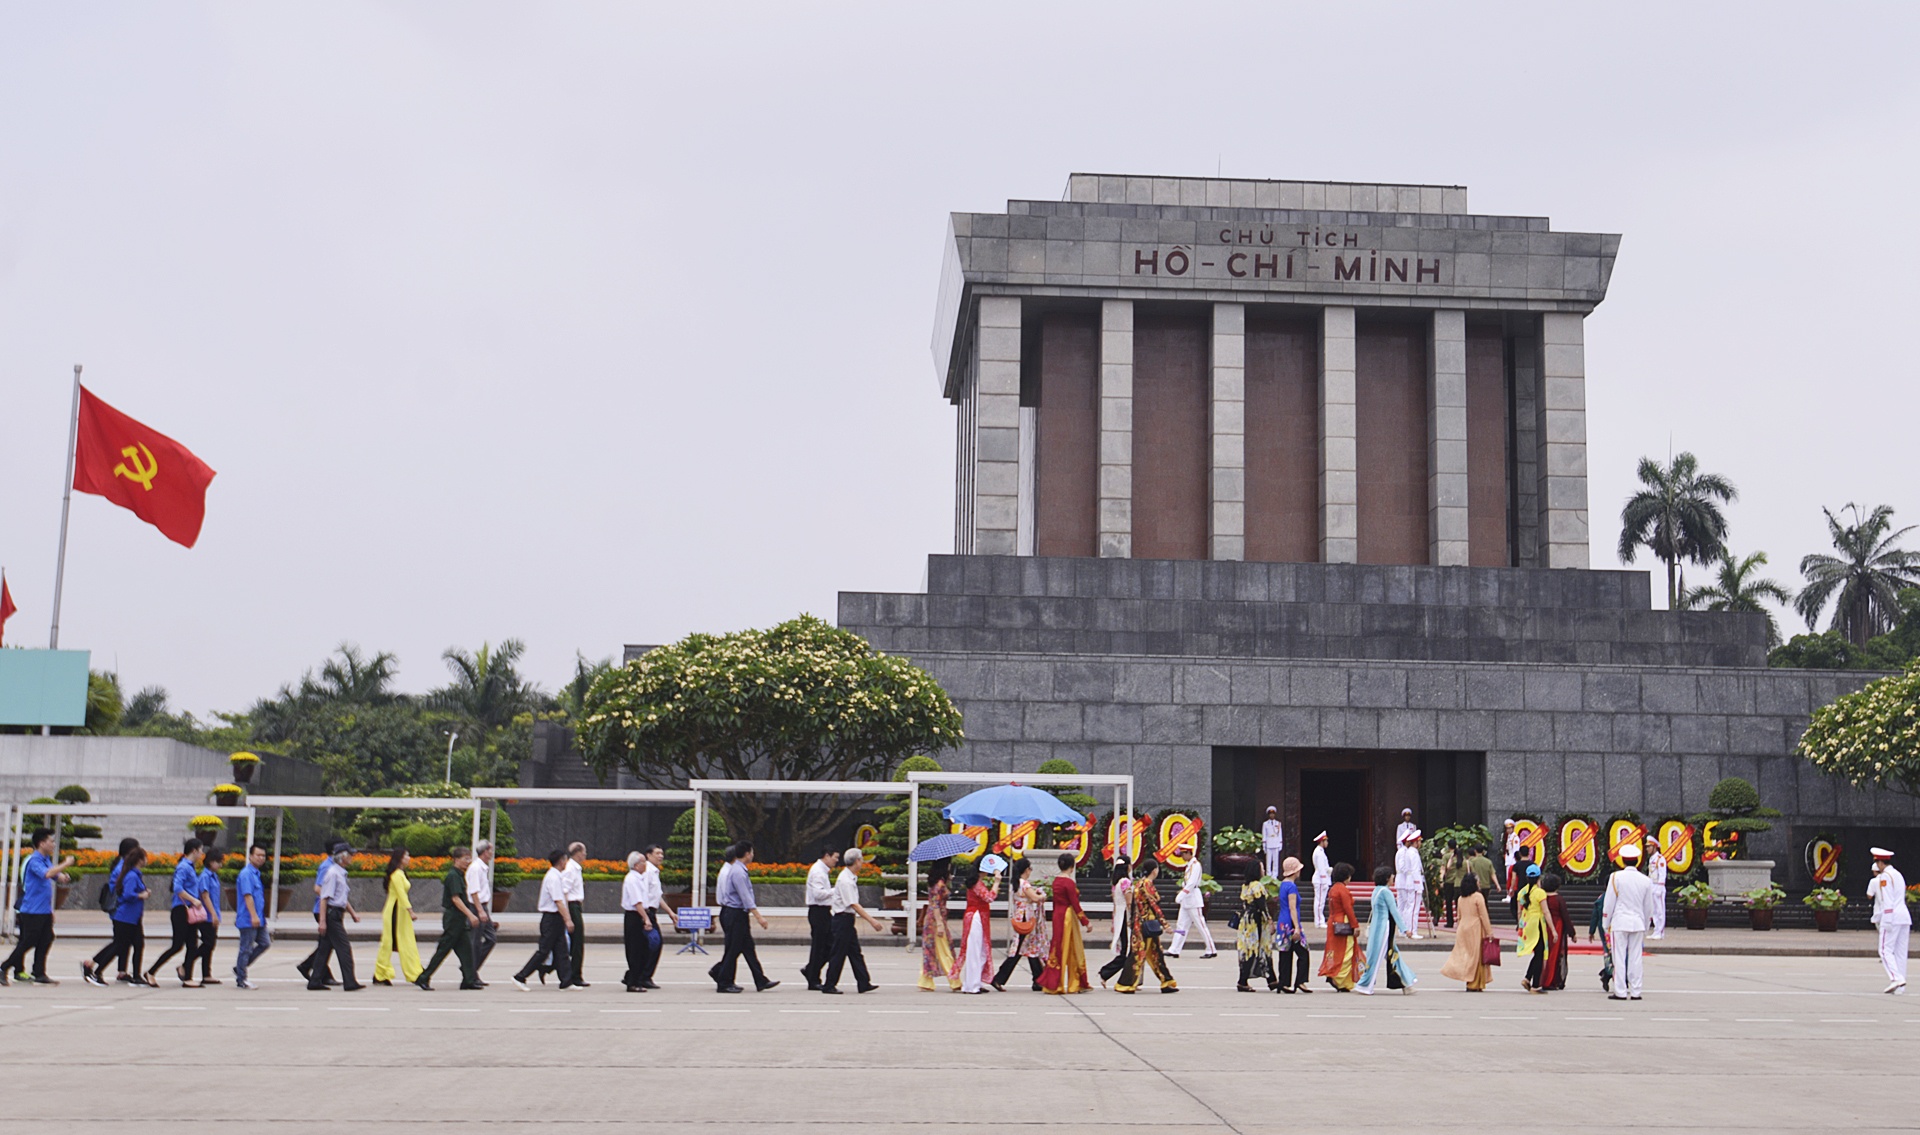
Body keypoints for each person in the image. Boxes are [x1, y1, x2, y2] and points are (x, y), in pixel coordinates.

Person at [0, 828, 74, 985]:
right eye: (51, 841)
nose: (54, 844)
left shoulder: (45, 859)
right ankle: (3, 968)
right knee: (29, 941)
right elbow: (46, 874)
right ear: (42, 843)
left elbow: (54, 874)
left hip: (44, 910)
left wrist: (63, 876)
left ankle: (39, 972)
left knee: (47, 938)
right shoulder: (34, 860)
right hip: (32, 910)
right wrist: (65, 863)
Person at [709, 841, 776, 993]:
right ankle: (724, 982)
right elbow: (745, 897)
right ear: (747, 854)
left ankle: (760, 980)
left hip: (737, 914)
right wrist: (759, 917)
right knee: (733, 949)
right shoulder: (738, 872)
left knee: (748, 948)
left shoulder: (738, 869)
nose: (753, 855)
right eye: (751, 852)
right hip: (735, 914)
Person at [84, 847, 150, 986]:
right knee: (118, 946)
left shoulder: (134, 874)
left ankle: (137, 975)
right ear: (139, 860)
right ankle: (97, 970)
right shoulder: (132, 875)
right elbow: (127, 894)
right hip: (126, 917)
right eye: (145, 857)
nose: (146, 860)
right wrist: (141, 895)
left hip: (133, 917)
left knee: (137, 944)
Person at [419, 847, 482, 991]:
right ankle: (423, 977)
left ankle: (469, 980)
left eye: (469, 858)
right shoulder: (453, 876)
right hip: (454, 918)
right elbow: (456, 899)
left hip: (459, 919)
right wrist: (470, 915)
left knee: (466, 950)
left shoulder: (460, 875)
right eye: (465, 858)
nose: (468, 861)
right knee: (443, 950)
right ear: (456, 859)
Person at [147, 838, 208, 987]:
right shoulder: (184, 867)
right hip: (182, 910)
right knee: (177, 945)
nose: (202, 853)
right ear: (194, 851)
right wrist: (194, 900)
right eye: (200, 850)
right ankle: (151, 972)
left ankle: (187, 977)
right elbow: (177, 888)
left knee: (192, 945)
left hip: (189, 910)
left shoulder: (190, 867)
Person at [1602, 843, 1659, 1000]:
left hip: (1620, 921)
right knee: (1636, 957)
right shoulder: (1646, 880)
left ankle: (1620, 991)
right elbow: (1649, 907)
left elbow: (1609, 902)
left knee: (1619, 957)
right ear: (1637, 860)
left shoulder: (1616, 877)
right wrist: (1646, 925)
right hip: (1638, 922)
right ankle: (1636, 991)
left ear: (1623, 860)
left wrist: (1605, 923)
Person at [821, 847, 882, 994]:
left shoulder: (850, 877)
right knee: (838, 953)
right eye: (861, 859)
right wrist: (872, 921)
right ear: (856, 861)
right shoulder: (846, 880)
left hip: (846, 921)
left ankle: (863, 982)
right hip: (842, 920)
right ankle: (829, 984)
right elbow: (853, 904)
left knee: (855, 952)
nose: (862, 862)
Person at [514, 850, 577, 991]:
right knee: (543, 951)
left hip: (556, 919)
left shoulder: (556, 876)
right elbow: (558, 901)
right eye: (565, 860)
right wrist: (568, 920)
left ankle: (566, 981)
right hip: (551, 918)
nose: (566, 863)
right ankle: (520, 976)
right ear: (561, 861)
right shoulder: (553, 878)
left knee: (562, 951)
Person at [1113, 861, 1176, 994]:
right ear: (1155, 871)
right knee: (1139, 954)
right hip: (1147, 924)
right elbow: (1154, 905)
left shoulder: (1139, 883)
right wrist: (1165, 924)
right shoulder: (1147, 884)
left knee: (1156, 953)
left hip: (1140, 923)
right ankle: (1125, 984)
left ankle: (1167, 981)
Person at [309, 844, 363, 991]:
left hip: (337, 913)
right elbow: (324, 898)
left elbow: (342, 899)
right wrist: (322, 921)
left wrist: (352, 914)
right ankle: (350, 982)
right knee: (344, 948)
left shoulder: (340, 873)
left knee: (324, 949)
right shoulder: (333, 873)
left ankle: (315, 980)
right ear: (342, 857)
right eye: (350, 855)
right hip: (332, 914)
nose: (352, 858)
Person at [1355, 864, 1415, 995]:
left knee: (1390, 955)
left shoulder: (1376, 890)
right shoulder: (1386, 892)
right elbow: (1395, 912)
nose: (1393, 878)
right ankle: (1365, 985)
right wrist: (1405, 929)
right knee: (1378, 957)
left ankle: (1407, 982)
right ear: (1387, 878)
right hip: (1384, 929)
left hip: (1376, 927)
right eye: (1392, 876)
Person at [993, 857, 1050, 991]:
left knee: (1030, 948)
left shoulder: (1016, 883)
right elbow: (1035, 898)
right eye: (1030, 869)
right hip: (1026, 918)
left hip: (1020, 916)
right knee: (1020, 949)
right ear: (1026, 870)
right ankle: (999, 978)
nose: (1030, 871)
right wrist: (1043, 896)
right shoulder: (1025, 884)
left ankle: (1038, 979)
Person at [1039, 853, 1091, 994]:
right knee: (1069, 947)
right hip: (1067, 917)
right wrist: (1085, 922)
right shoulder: (1069, 883)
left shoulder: (1056, 880)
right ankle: (1064, 983)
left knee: (1058, 946)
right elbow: (1075, 903)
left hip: (1057, 915)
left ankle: (1057, 982)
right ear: (1072, 866)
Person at [297, 841, 347, 988]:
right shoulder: (327, 867)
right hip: (323, 910)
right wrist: (331, 898)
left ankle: (313, 970)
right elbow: (318, 888)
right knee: (328, 943)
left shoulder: (335, 866)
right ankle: (313, 970)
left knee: (326, 944)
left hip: (329, 909)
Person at [372, 847, 424, 986]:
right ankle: (382, 973)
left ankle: (414, 972)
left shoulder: (401, 873)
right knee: (388, 943)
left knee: (404, 941)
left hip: (400, 912)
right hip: (395, 912)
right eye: (407, 856)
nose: (409, 858)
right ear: (400, 858)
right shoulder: (396, 874)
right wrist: (410, 911)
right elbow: (401, 894)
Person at [1439, 872, 1494, 991]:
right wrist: (1489, 932)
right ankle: (1474, 983)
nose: (1479, 883)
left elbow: (1458, 916)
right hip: (1475, 928)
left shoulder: (1460, 898)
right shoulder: (1478, 897)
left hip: (1463, 928)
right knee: (1476, 956)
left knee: (1468, 956)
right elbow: (1484, 915)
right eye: (1477, 881)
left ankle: (1470, 981)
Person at [952, 861, 999, 993]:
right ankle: (971, 985)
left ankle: (975, 982)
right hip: (976, 918)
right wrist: (996, 883)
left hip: (978, 917)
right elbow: (989, 898)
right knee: (975, 951)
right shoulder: (977, 884)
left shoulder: (976, 883)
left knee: (981, 950)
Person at [1867, 848, 1910, 994]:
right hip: (1904, 916)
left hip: (1892, 916)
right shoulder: (1898, 874)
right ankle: (1900, 986)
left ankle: (1895, 978)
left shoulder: (1885, 877)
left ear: (1880, 862)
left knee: (1885, 950)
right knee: (1900, 952)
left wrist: (1887, 919)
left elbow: (1888, 899)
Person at [1317, 863, 1364, 991]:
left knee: (1336, 950)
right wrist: (1355, 925)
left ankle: (1336, 976)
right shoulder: (1343, 890)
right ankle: (1339, 978)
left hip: (1333, 921)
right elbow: (1348, 909)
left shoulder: (1333, 889)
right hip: (1343, 921)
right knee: (1346, 951)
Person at [800, 845, 840, 990]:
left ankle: (811, 970)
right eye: (835, 857)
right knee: (819, 946)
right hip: (818, 911)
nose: (836, 861)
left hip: (824, 911)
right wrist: (836, 890)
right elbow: (818, 894)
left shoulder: (822, 871)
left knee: (829, 945)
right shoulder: (818, 872)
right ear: (827, 856)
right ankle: (813, 978)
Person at [232, 844, 272, 990]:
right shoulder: (246, 874)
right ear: (250, 856)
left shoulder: (256, 873)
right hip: (249, 918)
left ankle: (240, 967)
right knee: (246, 948)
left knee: (265, 943)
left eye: (263, 855)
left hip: (259, 918)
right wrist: (254, 916)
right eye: (258, 855)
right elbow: (247, 896)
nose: (261, 858)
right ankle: (242, 979)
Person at [1166, 853, 1216, 958]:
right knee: (1181, 925)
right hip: (1186, 900)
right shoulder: (1189, 865)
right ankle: (1174, 949)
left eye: (1183, 854)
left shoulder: (1195, 865)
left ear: (1189, 853)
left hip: (1193, 898)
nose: (1182, 856)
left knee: (1200, 925)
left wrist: (1181, 894)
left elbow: (1192, 883)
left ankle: (1211, 949)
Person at [1273, 856, 1311, 994]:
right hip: (1290, 923)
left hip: (1282, 923)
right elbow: (1292, 907)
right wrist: (1297, 927)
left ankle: (1284, 982)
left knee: (1285, 953)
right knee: (1303, 952)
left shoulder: (1283, 884)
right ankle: (1300, 981)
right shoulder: (1292, 886)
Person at [919, 859, 957, 991]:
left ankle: (925, 981)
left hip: (935, 919)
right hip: (936, 920)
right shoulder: (939, 884)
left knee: (931, 949)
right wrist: (939, 924)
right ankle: (954, 980)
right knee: (944, 950)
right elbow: (935, 905)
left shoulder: (937, 882)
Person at [1235, 873, 1276, 992]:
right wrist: (1269, 920)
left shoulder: (1245, 886)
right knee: (1259, 950)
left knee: (1248, 951)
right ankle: (1243, 981)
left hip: (1246, 921)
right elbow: (1262, 905)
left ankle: (1271, 980)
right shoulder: (1257, 886)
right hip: (1256, 922)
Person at [1515, 863, 1550, 993]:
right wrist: (1552, 929)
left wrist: (1520, 925)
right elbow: (1546, 912)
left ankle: (1528, 978)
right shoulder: (1540, 893)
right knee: (1540, 954)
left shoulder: (1522, 892)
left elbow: (1519, 912)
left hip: (1527, 924)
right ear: (1539, 877)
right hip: (1538, 924)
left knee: (1537, 954)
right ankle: (1535, 985)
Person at [466, 841, 498, 975]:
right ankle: (471, 972)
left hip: (482, 907)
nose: (492, 853)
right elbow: (473, 891)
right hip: (477, 907)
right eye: (491, 850)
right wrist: (480, 911)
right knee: (475, 942)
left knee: (491, 939)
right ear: (485, 852)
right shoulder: (475, 868)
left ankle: (471, 969)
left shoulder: (482, 867)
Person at [561, 842, 589, 987]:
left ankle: (549, 967)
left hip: (576, 906)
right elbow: (564, 891)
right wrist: (568, 916)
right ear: (577, 852)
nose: (585, 855)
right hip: (572, 906)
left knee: (572, 943)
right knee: (577, 943)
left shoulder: (576, 868)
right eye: (584, 852)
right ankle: (575, 975)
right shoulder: (570, 869)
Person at [195, 848, 224, 984]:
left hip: (213, 914)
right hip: (205, 916)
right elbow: (205, 896)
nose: (220, 865)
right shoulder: (205, 876)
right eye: (218, 862)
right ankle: (186, 964)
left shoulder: (213, 876)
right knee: (207, 943)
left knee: (210, 944)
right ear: (211, 862)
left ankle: (206, 974)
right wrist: (213, 914)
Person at [1541, 873, 1572, 991]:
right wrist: (1572, 933)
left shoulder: (1542, 897)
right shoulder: (1559, 899)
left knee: (1544, 954)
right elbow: (1565, 916)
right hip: (1556, 926)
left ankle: (1542, 978)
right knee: (1554, 955)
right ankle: (1550, 980)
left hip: (1544, 925)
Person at [1394, 831, 1425, 939]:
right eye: (1419, 841)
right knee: (1413, 908)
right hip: (1413, 882)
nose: (1420, 843)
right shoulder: (1412, 853)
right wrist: (1418, 884)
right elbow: (1415, 870)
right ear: (1415, 842)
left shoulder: (1409, 852)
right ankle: (1412, 931)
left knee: (1408, 907)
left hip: (1409, 881)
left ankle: (1406, 929)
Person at [1107, 856, 1132, 955]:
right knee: (1126, 939)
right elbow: (1129, 901)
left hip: (1118, 913)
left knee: (1122, 937)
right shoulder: (1125, 882)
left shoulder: (1115, 883)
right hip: (1125, 913)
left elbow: (1115, 903)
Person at [1645, 836, 1669, 939]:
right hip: (1652, 886)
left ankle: (1660, 931)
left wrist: (1660, 886)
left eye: (1649, 846)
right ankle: (1656, 930)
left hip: (1658, 887)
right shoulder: (1651, 859)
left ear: (1654, 847)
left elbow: (1662, 874)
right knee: (1654, 910)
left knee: (1660, 910)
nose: (1647, 849)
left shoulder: (1660, 859)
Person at [1439, 843, 1464, 928]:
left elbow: (1443, 869)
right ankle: (1459, 920)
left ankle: (1450, 922)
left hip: (1449, 881)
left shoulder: (1446, 856)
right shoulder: (1460, 856)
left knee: (1448, 902)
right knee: (1458, 902)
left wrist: (1441, 880)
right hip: (1458, 882)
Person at [1310, 831, 1332, 928]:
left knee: (1321, 901)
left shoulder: (1321, 852)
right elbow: (1321, 868)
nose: (1327, 843)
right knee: (1319, 901)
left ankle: (1320, 920)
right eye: (1325, 841)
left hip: (1322, 878)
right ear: (1321, 841)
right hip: (1320, 879)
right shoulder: (1319, 853)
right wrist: (1324, 881)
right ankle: (1319, 921)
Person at [1261, 807, 1284, 879]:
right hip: (1269, 842)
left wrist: (1280, 843)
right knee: (1268, 860)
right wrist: (1264, 844)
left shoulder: (1278, 823)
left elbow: (1280, 834)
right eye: (1270, 814)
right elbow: (1264, 834)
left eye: (1273, 814)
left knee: (1275, 860)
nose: (1272, 815)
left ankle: (1275, 875)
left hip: (1276, 842)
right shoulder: (1265, 824)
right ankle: (1268, 874)